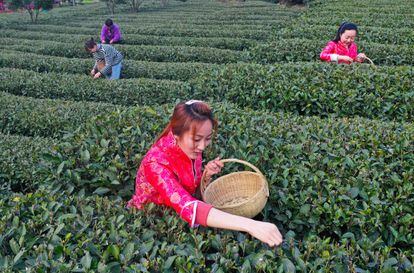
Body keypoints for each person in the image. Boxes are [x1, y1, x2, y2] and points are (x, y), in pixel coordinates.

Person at [128, 100, 283, 247]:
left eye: (207, 138)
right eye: (196, 140)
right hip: (153, 225)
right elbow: (187, 205)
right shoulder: (155, 163)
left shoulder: (190, 148)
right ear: (176, 135)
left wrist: (206, 175)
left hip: (179, 217)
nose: (202, 146)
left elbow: (188, 187)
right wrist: (251, 225)